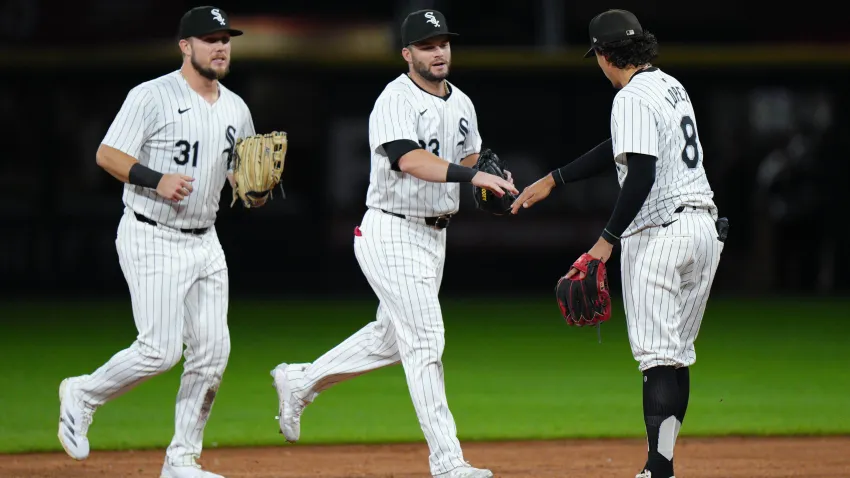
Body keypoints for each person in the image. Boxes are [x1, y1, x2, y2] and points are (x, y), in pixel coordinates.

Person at [269, 9, 516, 478]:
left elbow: (469, 156)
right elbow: (408, 160)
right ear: (408, 54)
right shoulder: (394, 99)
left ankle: (299, 381)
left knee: (391, 339)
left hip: (433, 237)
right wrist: (471, 173)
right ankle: (448, 463)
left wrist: (493, 179)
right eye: (427, 45)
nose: (438, 50)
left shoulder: (462, 102)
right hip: (391, 229)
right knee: (426, 340)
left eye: (443, 42)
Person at [510, 10, 725, 478]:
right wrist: (556, 178)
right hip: (704, 231)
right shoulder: (670, 85)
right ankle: (660, 466)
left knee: (656, 358)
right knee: (674, 356)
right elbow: (624, 146)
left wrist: (604, 242)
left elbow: (641, 174)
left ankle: (658, 470)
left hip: (661, 237)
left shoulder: (628, 97)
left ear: (605, 56)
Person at [57, 6, 254, 478]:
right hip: (152, 232)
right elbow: (107, 154)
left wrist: (256, 189)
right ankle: (83, 393)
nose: (221, 46)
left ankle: (182, 461)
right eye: (209, 39)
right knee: (159, 350)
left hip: (206, 240)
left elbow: (241, 180)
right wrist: (156, 178)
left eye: (225, 38)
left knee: (212, 354)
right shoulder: (152, 95)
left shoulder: (237, 108)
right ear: (185, 46)